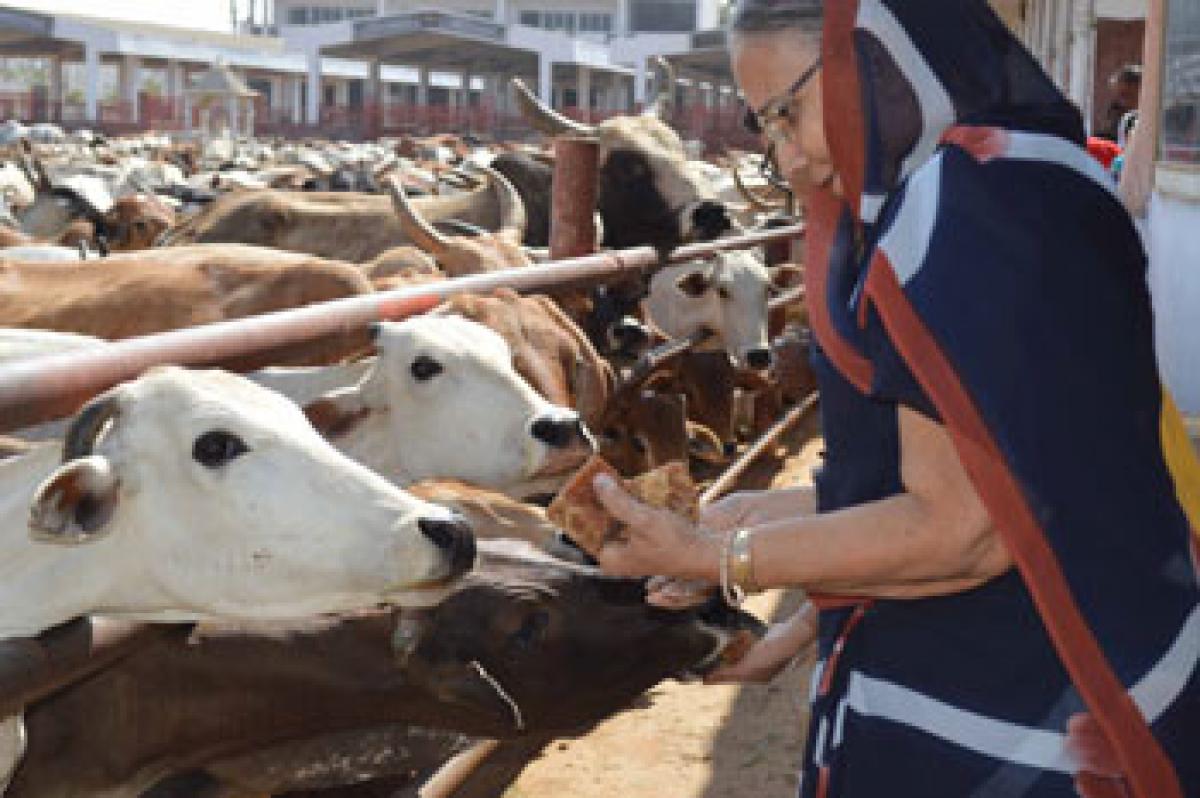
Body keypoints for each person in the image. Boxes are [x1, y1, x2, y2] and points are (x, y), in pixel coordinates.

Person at [591, 2, 1200, 797]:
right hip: (1081, 648)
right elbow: (1003, 467)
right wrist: (768, 538)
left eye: (788, 114)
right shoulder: (1024, 170)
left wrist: (721, 558)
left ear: (873, 59)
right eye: (765, 127)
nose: (791, 160)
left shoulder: (958, 210)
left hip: (1019, 703)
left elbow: (963, 533)